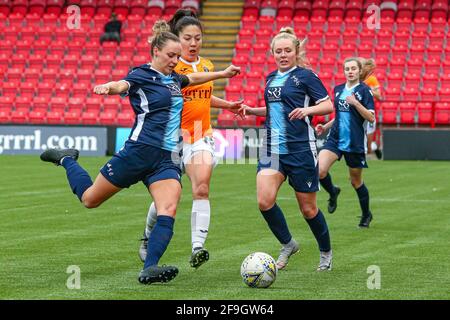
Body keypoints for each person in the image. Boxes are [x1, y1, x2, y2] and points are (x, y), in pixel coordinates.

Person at [40, 21, 240, 285]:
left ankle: (150, 268)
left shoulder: (174, 80)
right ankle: (66, 158)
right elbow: (121, 84)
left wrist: (222, 74)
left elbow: (193, 79)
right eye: (171, 55)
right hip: (137, 152)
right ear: (155, 51)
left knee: (168, 207)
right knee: (90, 199)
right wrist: (107, 88)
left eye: (178, 57)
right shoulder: (140, 75)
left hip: (166, 159)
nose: (175, 61)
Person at [138, 9, 245, 269]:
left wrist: (228, 105)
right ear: (177, 38)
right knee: (166, 200)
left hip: (200, 136)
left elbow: (203, 97)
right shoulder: (170, 68)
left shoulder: (206, 65)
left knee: (202, 187)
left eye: (198, 38)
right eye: (188, 38)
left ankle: (198, 247)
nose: (194, 43)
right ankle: (147, 235)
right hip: (171, 140)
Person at [240, 27, 334, 271]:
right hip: (272, 149)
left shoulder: (306, 76)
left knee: (308, 208)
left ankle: (325, 252)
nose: (283, 55)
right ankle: (288, 243)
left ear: (296, 52)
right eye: (278, 51)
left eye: (287, 51)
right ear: (272, 53)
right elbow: (275, 110)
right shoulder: (271, 77)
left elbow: (327, 105)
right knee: (264, 201)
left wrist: (308, 111)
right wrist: (252, 111)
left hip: (301, 148)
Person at [315, 57, 375, 228]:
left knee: (356, 181)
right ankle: (333, 191)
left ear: (358, 70)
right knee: (319, 170)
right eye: (347, 68)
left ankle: (366, 214)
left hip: (354, 142)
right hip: (335, 139)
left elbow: (371, 117)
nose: (350, 71)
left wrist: (356, 103)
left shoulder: (365, 91)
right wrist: (325, 126)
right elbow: (340, 115)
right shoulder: (338, 89)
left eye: (353, 68)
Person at [360, 58, 383, 159]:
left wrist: (369, 90)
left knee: (368, 145)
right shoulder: (357, 78)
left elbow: (379, 96)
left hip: (369, 111)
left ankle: (372, 147)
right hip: (357, 112)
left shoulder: (372, 79)